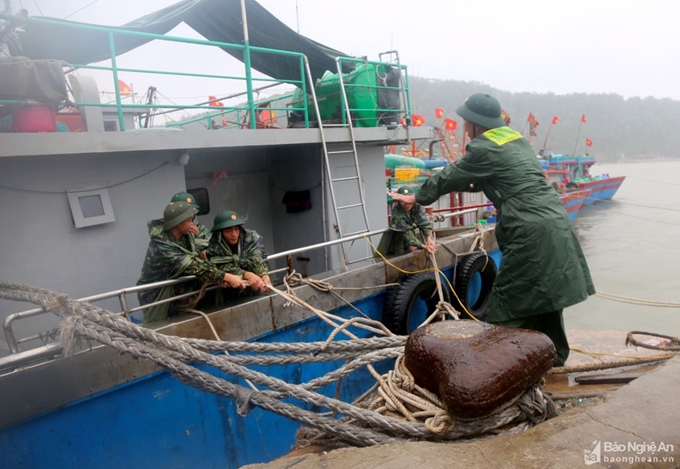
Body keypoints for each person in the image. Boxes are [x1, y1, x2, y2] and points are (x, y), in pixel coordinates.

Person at [390, 93, 595, 366]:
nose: (464, 128)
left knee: (505, 302)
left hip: (528, 228)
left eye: (466, 123)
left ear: (477, 124)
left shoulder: (483, 148)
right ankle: (554, 358)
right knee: (548, 296)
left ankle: (493, 370)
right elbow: (478, 178)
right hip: (555, 221)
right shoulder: (515, 140)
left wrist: (417, 197)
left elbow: (454, 174)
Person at [137, 201, 245, 324]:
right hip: (156, 297)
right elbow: (193, 266)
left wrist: (219, 279)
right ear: (178, 223)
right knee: (163, 330)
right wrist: (226, 277)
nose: (192, 224)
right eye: (189, 221)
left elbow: (196, 257)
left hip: (176, 293)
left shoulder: (183, 236)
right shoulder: (162, 245)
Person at [207, 209, 272, 296]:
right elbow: (220, 266)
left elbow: (256, 256)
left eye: (237, 229)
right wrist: (247, 275)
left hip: (255, 288)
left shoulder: (249, 238)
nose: (234, 234)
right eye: (228, 230)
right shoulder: (214, 246)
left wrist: (264, 275)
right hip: (228, 293)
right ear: (220, 233)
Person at [377, 185, 436, 255]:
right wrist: (425, 247)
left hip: (411, 239)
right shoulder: (397, 213)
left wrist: (429, 238)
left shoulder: (417, 207)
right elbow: (407, 234)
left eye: (408, 201)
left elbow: (424, 223)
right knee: (399, 255)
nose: (405, 204)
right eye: (402, 201)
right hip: (398, 242)